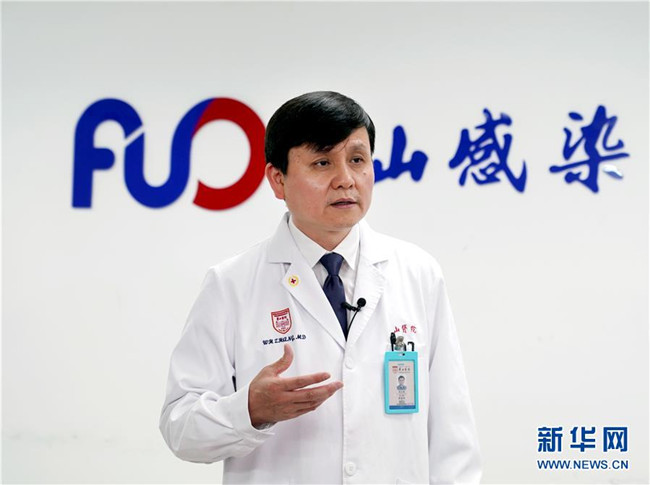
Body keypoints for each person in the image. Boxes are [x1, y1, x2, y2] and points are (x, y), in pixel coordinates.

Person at [160, 91, 481, 484]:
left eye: (357, 160)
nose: (345, 179)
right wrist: (249, 410)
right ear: (278, 179)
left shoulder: (418, 273)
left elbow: (452, 435)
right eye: (322, 162)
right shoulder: (231, 284)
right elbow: (180, 427)